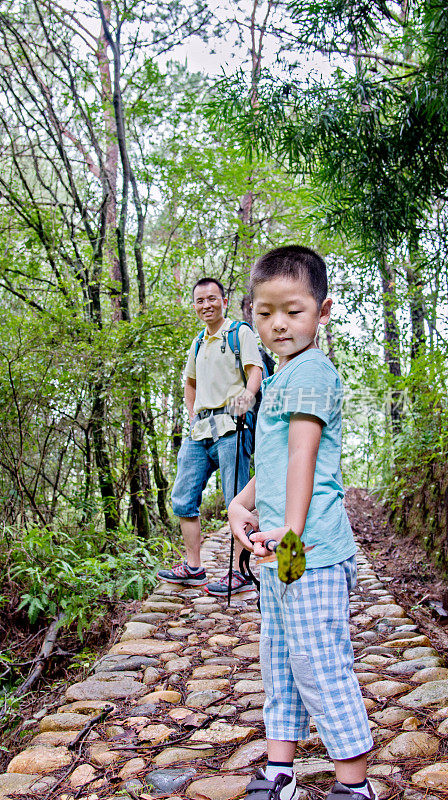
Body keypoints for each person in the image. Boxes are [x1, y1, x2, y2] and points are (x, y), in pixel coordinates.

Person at [228, 245, 374, 800]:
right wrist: (242, 505)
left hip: (308, 550)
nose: (278, 324)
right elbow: (271, 458)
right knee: (281, 657)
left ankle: (353, 785)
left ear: (323, 310)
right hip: (283, 550)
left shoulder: (313, 371)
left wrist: (288, 529)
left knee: (318, 659)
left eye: (293, 311)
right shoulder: (282, 374)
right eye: (264, 314)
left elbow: (301, 455)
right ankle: (280, 771)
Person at [157, 278, 263, 596]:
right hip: (199, 431)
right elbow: (189, 383)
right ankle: (193, 567)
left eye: (212, 298)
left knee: (236, 502)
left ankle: (241, 572)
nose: (206, 305)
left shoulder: (237, 332)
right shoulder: (197, 343)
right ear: (195, 306)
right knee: (183, 498)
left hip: (232, 427)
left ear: (223, 301)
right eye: (200, 300)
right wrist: (192, 414)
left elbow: (255, 370)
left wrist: (245, 401)